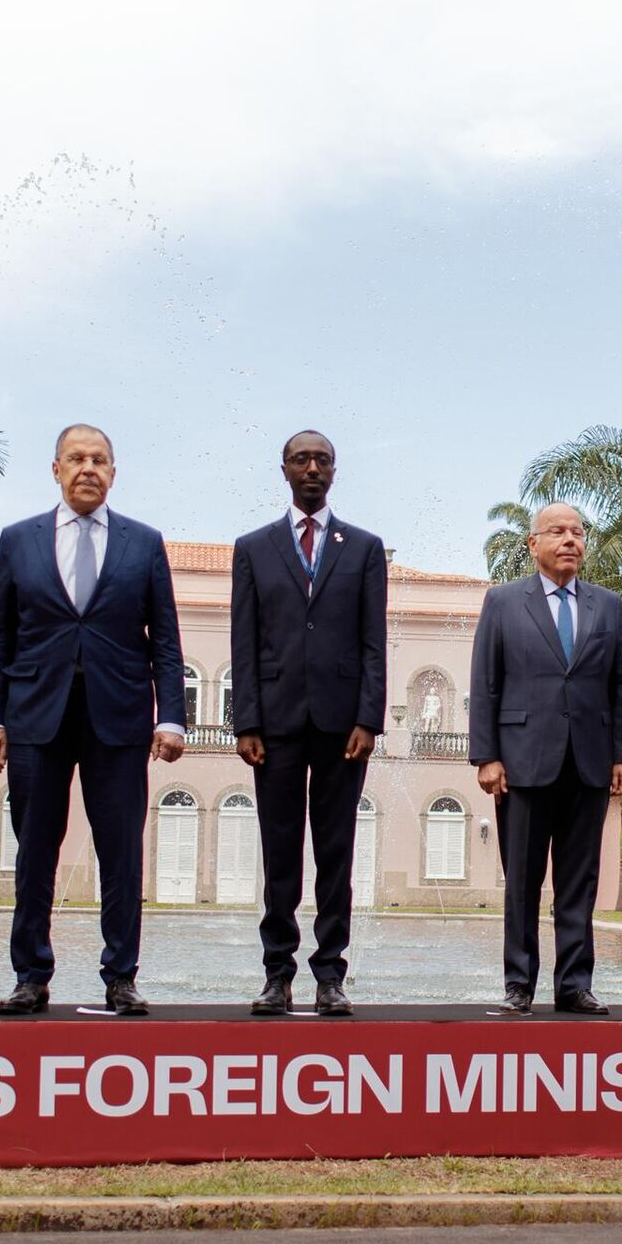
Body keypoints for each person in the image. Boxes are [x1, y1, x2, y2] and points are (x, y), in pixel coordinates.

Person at [0, 424, 185, 1016]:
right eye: (76, 458)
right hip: (35, 717)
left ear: (113, 473)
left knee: (121, 852)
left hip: (118, 717)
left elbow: (165, 640)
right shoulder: (18, 540)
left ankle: (121, 977)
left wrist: (172, 717)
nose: (87, 468)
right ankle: (31, 974)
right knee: (34, 851)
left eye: (99, 460)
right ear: (56, 469)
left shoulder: (143, 543)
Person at [231, 429, 386, 1016]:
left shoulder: (363, 548)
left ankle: (330, 976)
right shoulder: (254, 548)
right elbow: (244, 641)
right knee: (280, 853)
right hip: (274, 725)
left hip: (343, 727)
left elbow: (374, 642)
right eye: (302, 459)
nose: (312, 468)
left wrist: (369, 718)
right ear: (285, 470)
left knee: (336, 852)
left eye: (322, 459)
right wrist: (246, 721)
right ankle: (277, 974)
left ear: (335, 470)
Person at [469, 503, 622, 1015]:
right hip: (522, 764)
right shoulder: (502, 602)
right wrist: (487, 756)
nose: (570, 540)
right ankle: (519, 984)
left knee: (578, 883)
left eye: (577, 533)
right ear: (533, 543)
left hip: (589, 763)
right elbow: (485, 681)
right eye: (558, 532)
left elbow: (621, 684)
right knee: (522, 882)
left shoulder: (607, 605)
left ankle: (574, 985)